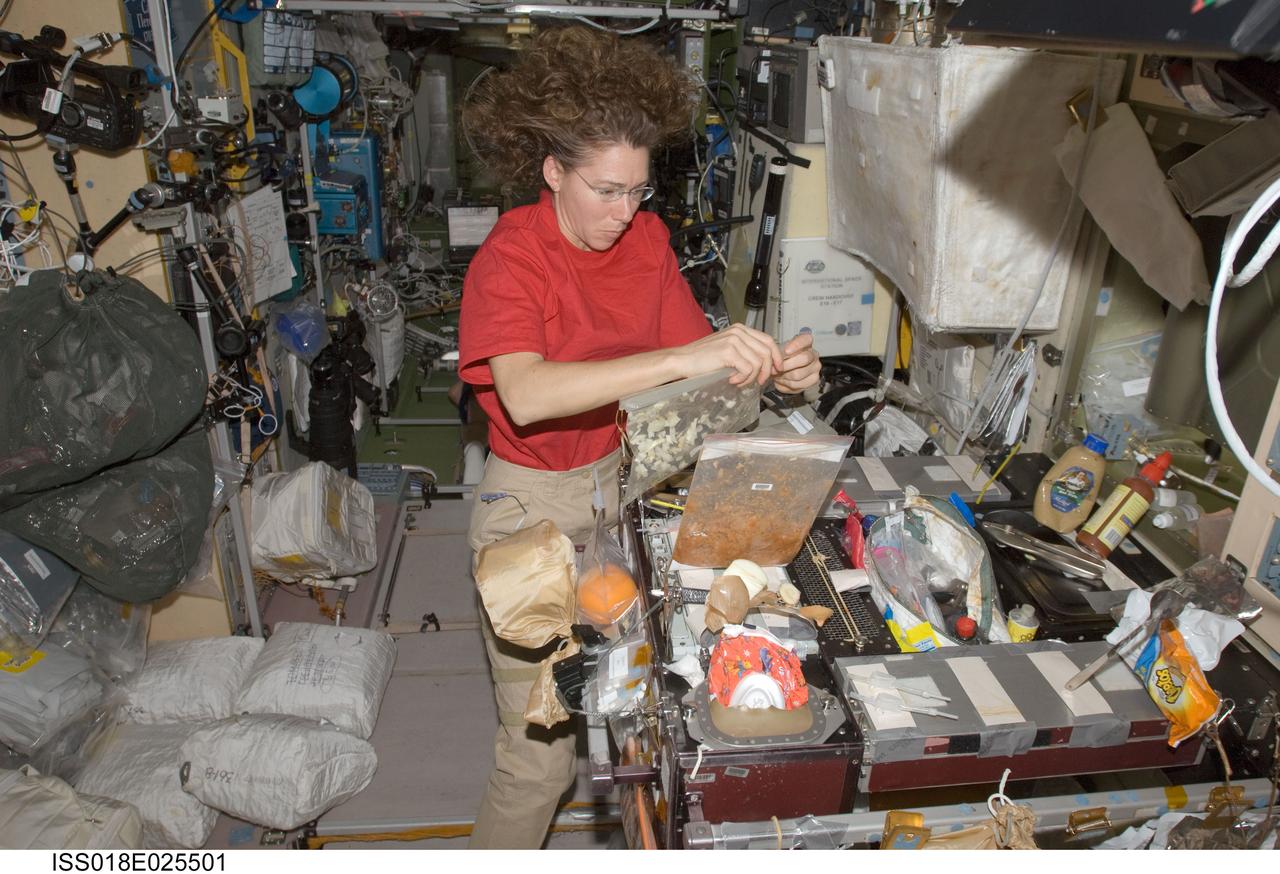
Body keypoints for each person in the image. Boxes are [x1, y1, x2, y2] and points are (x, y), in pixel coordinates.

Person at [457, 25, 821, 849]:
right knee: (540, 757)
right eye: (605, 191)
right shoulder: (512, 259)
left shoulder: (645, 241)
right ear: (553, 170)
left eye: (638, 192)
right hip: (533, 514)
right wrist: (682, 354)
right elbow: (527, 392)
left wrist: (772, 368)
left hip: (620, 493)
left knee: (636, 707)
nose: (624, 215)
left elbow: (696, 375)